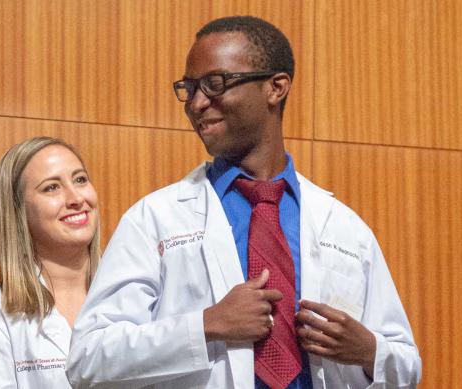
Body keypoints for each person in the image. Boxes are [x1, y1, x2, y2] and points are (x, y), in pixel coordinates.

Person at [67, 16, 421, 389]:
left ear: (276, 87)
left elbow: (407, 365)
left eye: (215, 84)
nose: (197, 103)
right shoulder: (155, 218)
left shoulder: (345, 228)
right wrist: (205, 325)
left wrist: (369, 351)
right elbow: (88, 359)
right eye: (189, 88)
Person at [0, 136, 101, 389]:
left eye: (80, 179)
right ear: (18, 211)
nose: (76, 197)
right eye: (51, 187)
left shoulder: (138, 295)